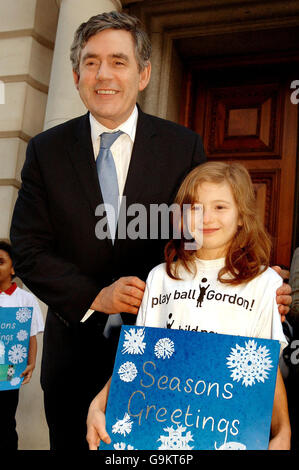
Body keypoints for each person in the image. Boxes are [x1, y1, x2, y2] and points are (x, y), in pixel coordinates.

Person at [9, 12, 291, 450]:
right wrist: (93, 296)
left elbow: (208, 232)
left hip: (173, 367)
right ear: (76, 74)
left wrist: (253, 280)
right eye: (91, 62)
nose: (104, 74)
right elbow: (27, 248)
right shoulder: (45, 150)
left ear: (143, 74)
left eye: (118, 61)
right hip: (75, 361)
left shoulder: (183, 145)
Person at [86, 162, 291, 450]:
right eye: (195, 207)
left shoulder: (264, 282)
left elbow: (263, 365)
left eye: (220, 207)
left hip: (228, 431)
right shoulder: (161, 277)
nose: (206, 217)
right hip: (157, 426)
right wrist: (99, 403)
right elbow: (139, 357)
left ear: (242, 216)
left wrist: (283, 430)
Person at [0, 241, 44, 450]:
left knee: (5, 419)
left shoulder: (25, 299)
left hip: (8, 369)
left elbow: (31, 335)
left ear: (13, 268)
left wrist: (31, 363)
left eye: (0, 262)